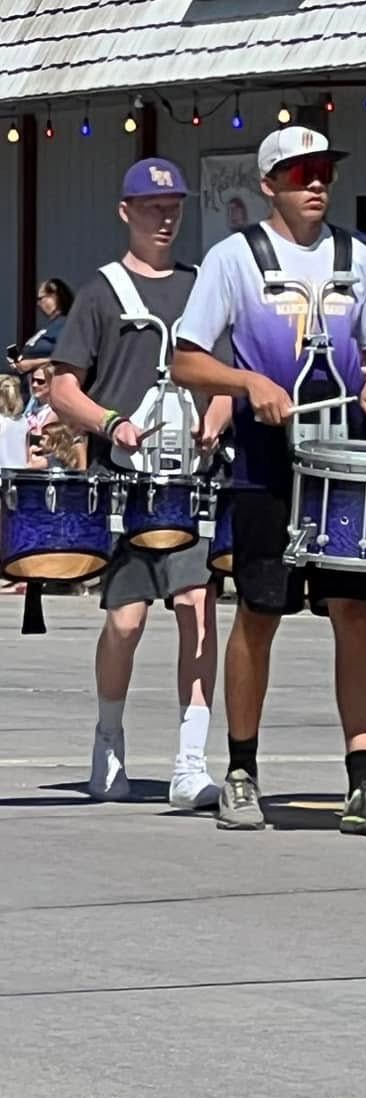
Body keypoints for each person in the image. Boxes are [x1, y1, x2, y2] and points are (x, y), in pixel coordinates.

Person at [171, 127, 366, 835]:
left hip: (341, 457)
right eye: (300, 173)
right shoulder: (233, 259)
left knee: (355, 609)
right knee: (260, 610)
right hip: (265, 459)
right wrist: (246, 380)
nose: (316, 184)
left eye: (324, 172)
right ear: (269, 183)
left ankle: (363, 779)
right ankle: (242, 769)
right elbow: (188, 360)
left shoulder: (359, 255)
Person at [45, 160, 231, 808]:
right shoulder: (101, 292)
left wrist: (216, 417)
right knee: (125, 623)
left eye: (174, 205)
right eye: (152, 206)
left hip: (188, 484)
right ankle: (109, 738)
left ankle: (191, 761)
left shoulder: (201, 287)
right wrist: (112, 422)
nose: (165, 216)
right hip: (123, 484)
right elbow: (62, 387)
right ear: (126, 211)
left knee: (196, 610)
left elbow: (224, 377)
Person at [17, 278, 73, 370]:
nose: (38, 304)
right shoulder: (47, 327)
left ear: (54, 297)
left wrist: (32, 364)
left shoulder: (65, 325)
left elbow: (68, 358)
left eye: (41, 298)